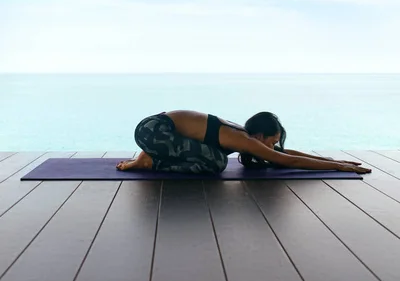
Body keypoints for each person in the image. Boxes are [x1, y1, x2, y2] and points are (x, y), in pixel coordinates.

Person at [116, 110, 371, 175]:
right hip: (154, 132)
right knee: (215, 163)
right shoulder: (241, 138)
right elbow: (287, 160)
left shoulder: (243, 136)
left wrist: (330, 160)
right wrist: (339, 168)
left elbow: (284, 153)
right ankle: (150, 160)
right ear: (260, 136)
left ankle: (148, 157)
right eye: (272, 141)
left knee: (212, 158)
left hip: (157, 131)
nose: (272, 147)